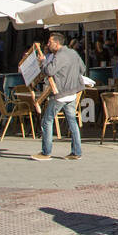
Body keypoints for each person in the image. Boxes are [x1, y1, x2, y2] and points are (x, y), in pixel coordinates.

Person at [30, 32, 87, 160]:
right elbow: (82, 68)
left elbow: (49, 71)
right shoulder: (73, 53)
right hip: (73, 92)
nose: (48, 44)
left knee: (47, 120)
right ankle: (77, 152)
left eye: (50, 42)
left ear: (57, 43)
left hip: (61, 92)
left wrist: (44, 62)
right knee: (72, 122)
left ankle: (46, 152)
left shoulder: (60, 55)